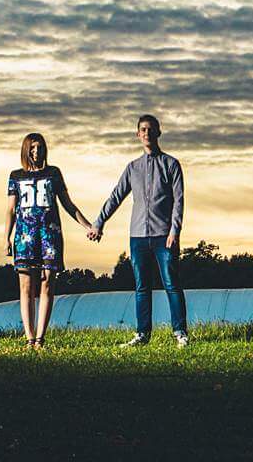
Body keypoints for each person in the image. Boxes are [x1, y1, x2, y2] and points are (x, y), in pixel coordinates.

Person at [91, 114, 189, 347]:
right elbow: (116, 196)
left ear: (158, 133)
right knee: (141, 287)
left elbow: (179, 201)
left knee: (171, 284)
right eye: (143, 130)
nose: (147, 133)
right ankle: (142, 334)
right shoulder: (132, 168)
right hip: (138, 237)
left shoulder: (171, 164)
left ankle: (180, 332)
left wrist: (174, 231)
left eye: (151, 129)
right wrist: (99, 222)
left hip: (163, 235)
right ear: (138, 135)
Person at [5, 132, 97, 348]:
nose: (36, 152)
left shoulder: (53, 174)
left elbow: (68, 204)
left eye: (40, 147)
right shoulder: (16, 176)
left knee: (47, 284)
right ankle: (29, 337)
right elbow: (10, 209)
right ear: (26, 150)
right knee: (26, 286)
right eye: (33, 148)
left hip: (50, 235)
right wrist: (6, 237)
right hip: (25, 237)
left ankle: (40, 338)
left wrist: (88, 225)